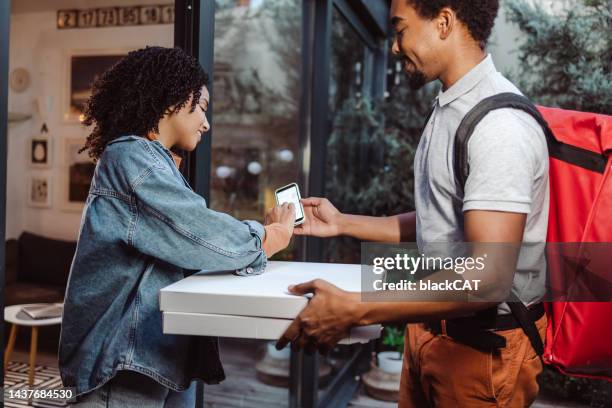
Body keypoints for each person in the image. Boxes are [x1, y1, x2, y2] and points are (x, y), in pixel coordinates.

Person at [277, 1, 549, 406]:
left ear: (443, 22)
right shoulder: (451, 108)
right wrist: (342, 222)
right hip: (433, 332)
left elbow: (489, 277)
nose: (394, 48)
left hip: (481, 353)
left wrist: (358, 307)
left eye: (400, 30)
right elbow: (438, 221)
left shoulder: (499, 126)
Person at [59, 46, 295, 407]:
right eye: (201, 106)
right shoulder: (130, 156)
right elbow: (197, 231)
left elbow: (188, 240)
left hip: (158, 355)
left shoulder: (151, 162)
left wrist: (249, 238)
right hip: (123, 362)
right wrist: (270, 237)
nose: (206, 121)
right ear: (172, 100)